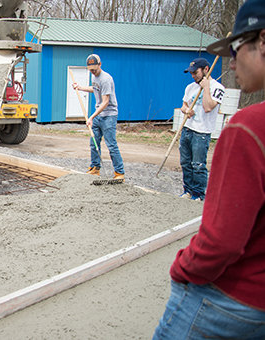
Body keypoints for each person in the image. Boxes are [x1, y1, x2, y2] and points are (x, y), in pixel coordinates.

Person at [152, 0, 265, 338]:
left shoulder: (249, 128)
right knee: (189, 166)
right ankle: (190, 192)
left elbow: (222, 242)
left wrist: (182, 268)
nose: (232, 60)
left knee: (199, 166)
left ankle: (196, 193)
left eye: (236, 48)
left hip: (229, 298)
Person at [178, 57, 225, 201]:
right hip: (187, 129)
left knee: (198, 165)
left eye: (196, 73)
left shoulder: (217, 88)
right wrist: (186, 111)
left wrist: (205, 88)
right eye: (191, 73)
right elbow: (184, 106)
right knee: (185, 162)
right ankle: (188, 190)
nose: (193, 76)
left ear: (206, 69)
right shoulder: (190, 87)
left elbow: (208, 107)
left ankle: (199, 194)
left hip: (202, 132)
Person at [72, 54, 125, 180]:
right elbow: (95, 89)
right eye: (90, 70)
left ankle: (119, 173)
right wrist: (80, 88)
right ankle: (95, 168)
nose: (93, 72)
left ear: (100, 65)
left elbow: (105, 102)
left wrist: (91, 117)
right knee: (94, 142)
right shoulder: (94, 76)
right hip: (98, 115)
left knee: (111, 145)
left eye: (95, 70)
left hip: (108, 116)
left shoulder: (106, 79)